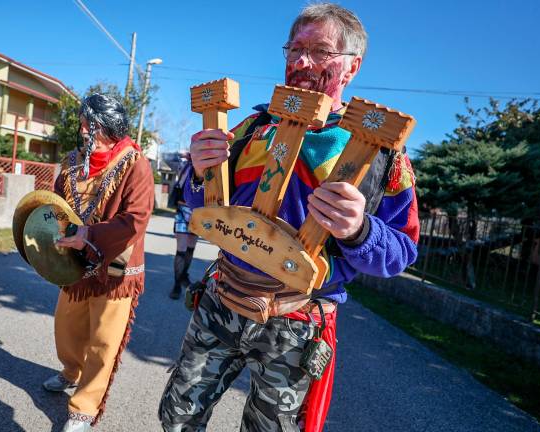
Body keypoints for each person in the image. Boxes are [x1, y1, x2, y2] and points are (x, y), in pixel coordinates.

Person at [158, 4, 420, 431]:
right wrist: (199, 169)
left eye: (320, 51)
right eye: (294, 48)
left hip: (297, 322)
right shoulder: (251, 127)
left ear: (351, 67)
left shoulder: (381, 153)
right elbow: (199, 201)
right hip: (221, 300)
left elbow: (401, 252)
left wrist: (359, 230)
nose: (300, 61)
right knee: (176, 418)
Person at [41, 94, 154, 431]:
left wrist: (88, 233)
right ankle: (71, 371)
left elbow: (136, 219)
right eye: (82, 122)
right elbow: (57, 203)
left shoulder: (136, 164)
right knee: (67, 324)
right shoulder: (73, 161)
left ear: (102, 127)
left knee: (105, 336)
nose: (81, 128)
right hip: (75, 260)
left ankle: (84, 407)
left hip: (118, 264)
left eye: (87, 123)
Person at [169, 154, 199, 299]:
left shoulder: (207, 168)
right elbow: (166, 157)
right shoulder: (184, 165)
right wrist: (182, 154)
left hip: (198, 213)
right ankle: (176, 285)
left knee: (191, 247)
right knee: (181, 248)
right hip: (182, 209)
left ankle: (183, 276)